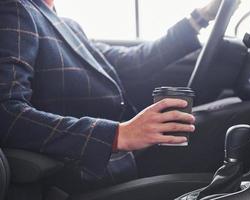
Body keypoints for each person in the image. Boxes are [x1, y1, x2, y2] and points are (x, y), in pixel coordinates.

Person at [0, 0, 222, 189]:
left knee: (228, 111)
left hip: (123, 154)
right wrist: (118, 135)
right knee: (246, 116)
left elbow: (134, 62)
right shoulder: (16, 10)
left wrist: (201, 17)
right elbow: (7, 113)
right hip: (90, 169)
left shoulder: (67, 24)